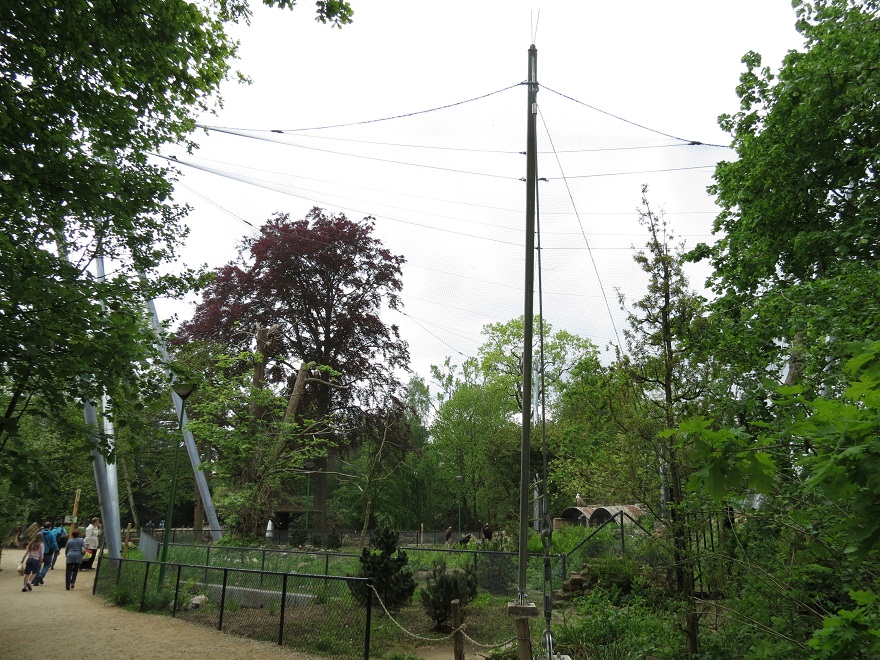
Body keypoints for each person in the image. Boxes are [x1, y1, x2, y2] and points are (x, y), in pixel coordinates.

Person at [34, 521, 58, 585]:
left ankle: (36, 580)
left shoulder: (39, 533)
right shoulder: (51, 534)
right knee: (47, 565)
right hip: (48, 552)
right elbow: (54, 543)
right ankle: (41, 575)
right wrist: (57, 550)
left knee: (38, 565)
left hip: (39, 552)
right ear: (50, 527)